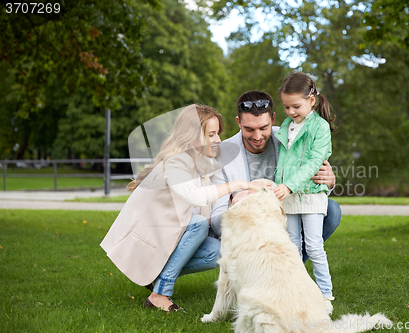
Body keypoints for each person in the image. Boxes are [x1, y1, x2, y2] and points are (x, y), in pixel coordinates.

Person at [100, 105, 265, 313]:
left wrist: (245, 194)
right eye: (211, 134)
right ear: (192, 136)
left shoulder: (201, 162)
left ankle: (156, 277)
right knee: (197, 224)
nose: (218, 140)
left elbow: (216, 194)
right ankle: (159, 295)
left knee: (218, 250)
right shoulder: (176, 162)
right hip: (150, 239)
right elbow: (196, 197)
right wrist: (237, 184)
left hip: (170, 237)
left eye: (218, 134)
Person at [210, 90, 342, 313]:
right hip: (247, 231)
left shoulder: (291, 136)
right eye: (249, 129)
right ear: (238, 122)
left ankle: (291, 278)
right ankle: (261, 275)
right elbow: (215, 220)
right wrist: (239, 204)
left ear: (273, 119)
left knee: (331, 210)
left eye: (263, 128)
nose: (258, 136)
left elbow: (310, 173)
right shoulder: (224, 154)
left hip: (284, 217)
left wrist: (328, 181)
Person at [273, 71, 336, 314]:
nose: (290, 112)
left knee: (313, 246)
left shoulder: (320, 128)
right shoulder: (287, 126)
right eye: (286, 107)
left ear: (312, 101)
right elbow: (284, 160)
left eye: (295, 106)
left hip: (310, 195)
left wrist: (288, 185)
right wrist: (280, 184)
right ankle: (295, 292)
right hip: (288, 198)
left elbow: (312, 163)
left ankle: (325, 295)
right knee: (292, 248)